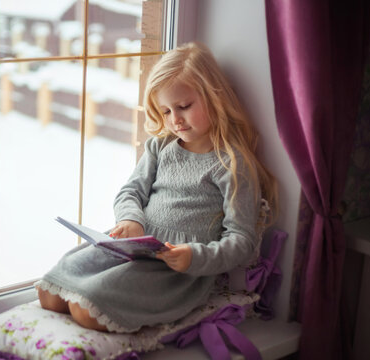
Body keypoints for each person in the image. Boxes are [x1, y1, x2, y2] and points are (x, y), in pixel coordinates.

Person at [35, 42, 278, 333]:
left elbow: (242, 241)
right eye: (165, 111)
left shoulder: (232, 164)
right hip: (134, 247)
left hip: (174, 271)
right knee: (49, 294)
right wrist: (130, 219)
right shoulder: (159, 146)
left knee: (86, 312)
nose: (174, 119)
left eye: (184, 107)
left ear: (214, 97)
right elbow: (130, 192)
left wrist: (193, 256)